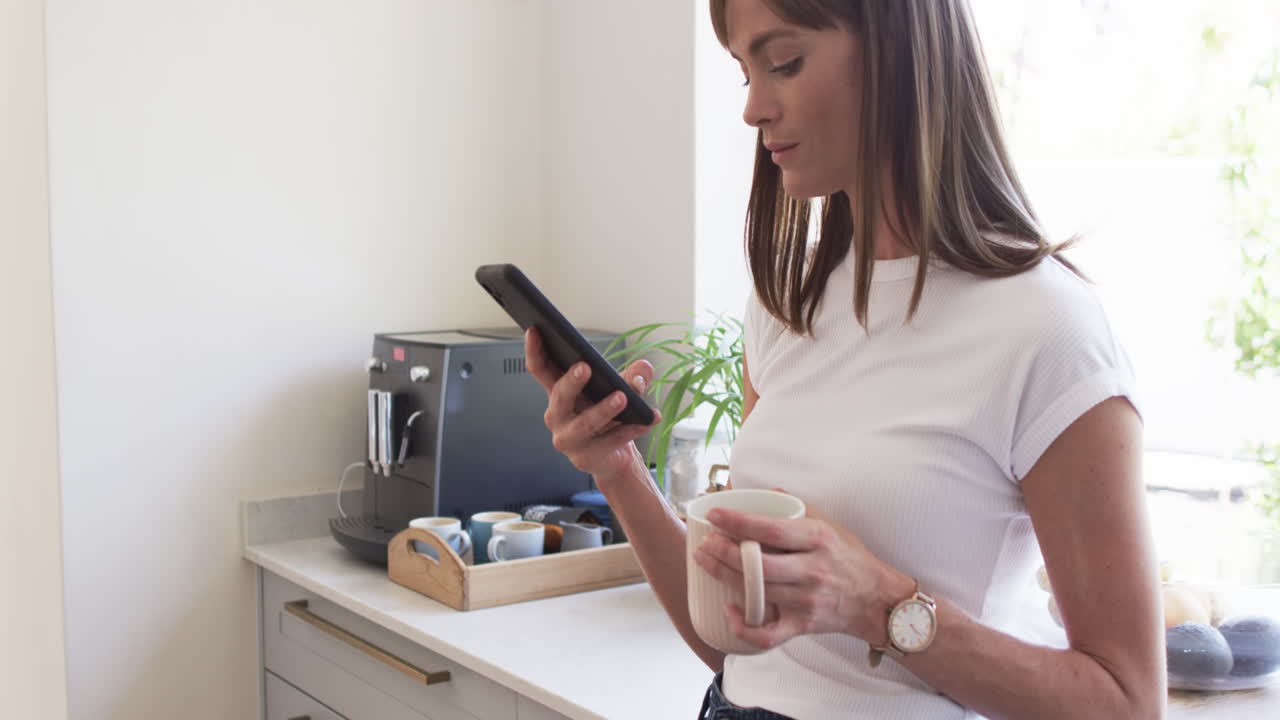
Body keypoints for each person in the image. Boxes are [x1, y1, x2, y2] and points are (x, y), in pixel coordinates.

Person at [524, 0, 1165, 718]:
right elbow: (739, 649)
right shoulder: (785, 307)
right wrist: (618, 470)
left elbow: (1127, 702)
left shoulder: (1048, 329)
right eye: (744, 74)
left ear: (899, 49)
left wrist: (879, 603)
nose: (754, 109)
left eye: (785, 63)